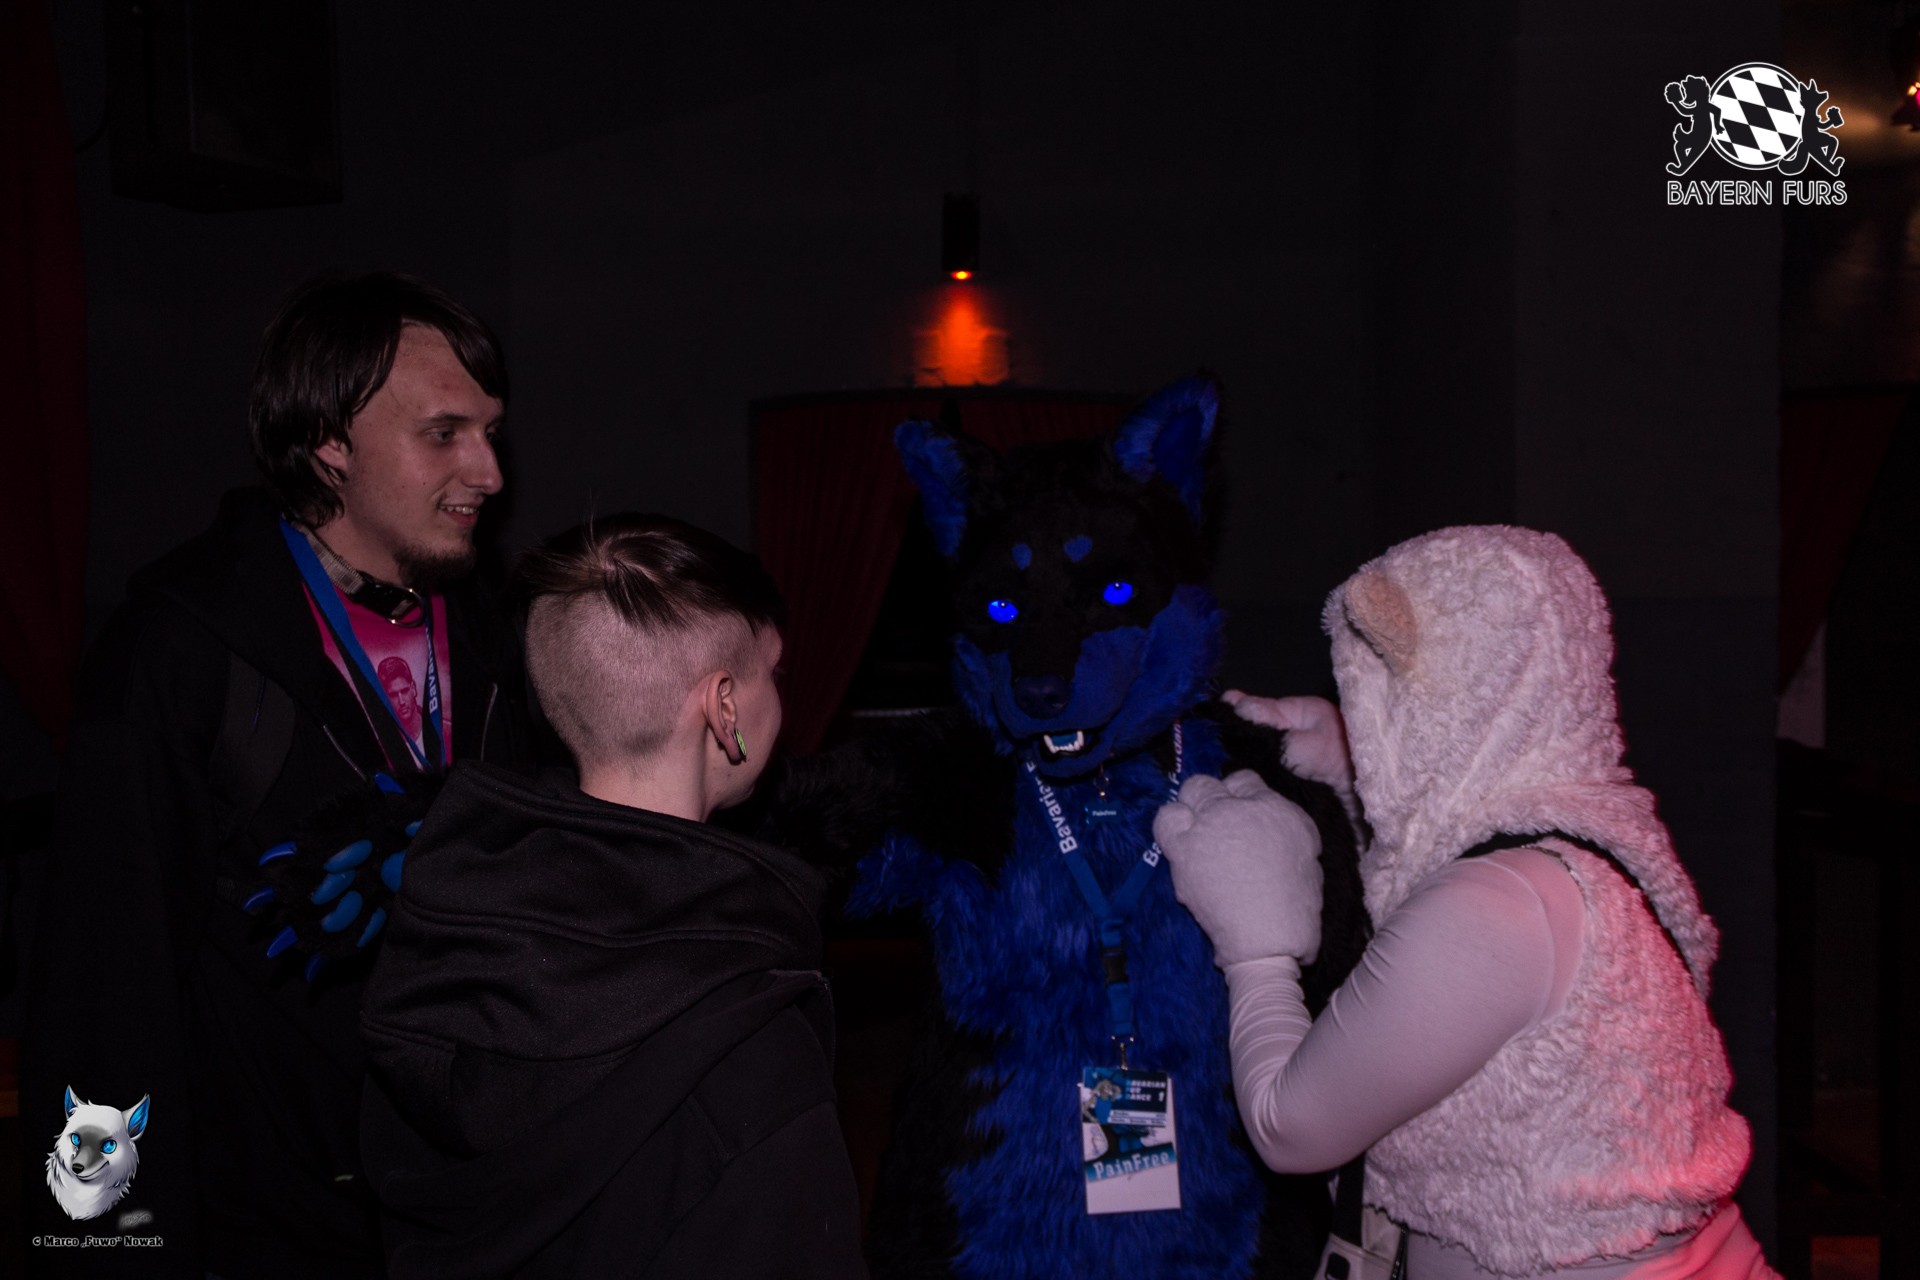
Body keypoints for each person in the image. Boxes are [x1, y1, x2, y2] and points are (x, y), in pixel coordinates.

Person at [22, 270, 534, 1277]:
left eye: (490, 432)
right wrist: (106, 1241)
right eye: (443, 433)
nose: (488, 471)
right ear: (330, 443)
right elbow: (106, 997)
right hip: (265, 1231)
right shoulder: (180, 653)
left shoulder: (497, 634)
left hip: (472, 1219)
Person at [1154, 526, 1776, 1280]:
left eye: (1377, 687)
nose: (1363, 707)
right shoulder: (1594, 835)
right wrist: (1356, 781)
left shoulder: (1492, 906)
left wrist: (1256, 938)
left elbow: (1290, 1131)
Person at [358, 514, 868, 1279]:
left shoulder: (443, 938)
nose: (780, 694)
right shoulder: (749, 1048)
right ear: (724, 707)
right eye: (775, 671)